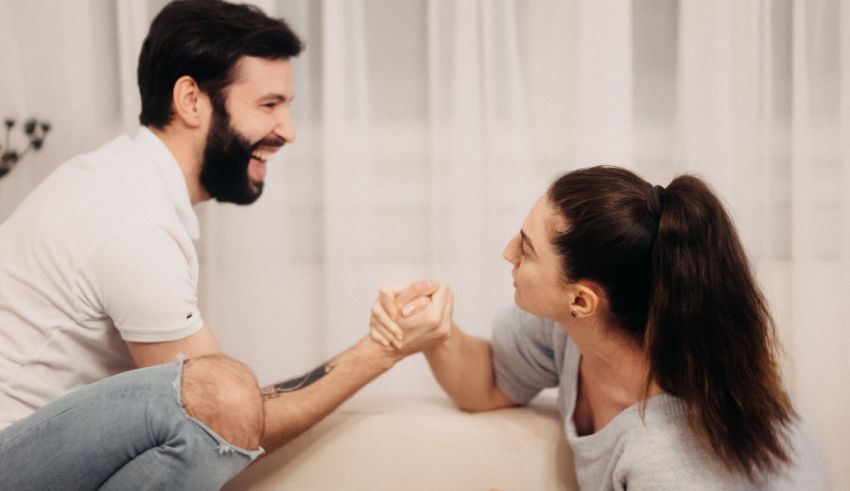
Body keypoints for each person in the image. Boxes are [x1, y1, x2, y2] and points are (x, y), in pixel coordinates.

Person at [0, 1, 448, 489]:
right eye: (269, 104)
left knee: (216, 397)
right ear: (191, 100)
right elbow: (233, 414)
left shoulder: (124, 183)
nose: (289, 131)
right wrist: (381, 351)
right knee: (223, 392)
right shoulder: (132, 220)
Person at [370, 166, 829, 489]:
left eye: (526, 249)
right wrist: (437, 335)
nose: (508, 252)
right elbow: (489, 381)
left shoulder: (671, 460)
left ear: (582, 299)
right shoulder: (572, 333)